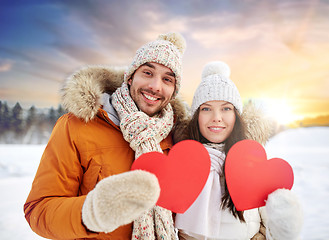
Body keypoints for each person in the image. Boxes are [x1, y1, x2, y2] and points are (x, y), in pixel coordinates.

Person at [24, 32, 189, 240]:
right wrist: (91, 212)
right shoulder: (77, 126)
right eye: (148, 72)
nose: (156, 86)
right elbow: (39, 210)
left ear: (174, 91)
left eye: (167, 79)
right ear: (130, 77)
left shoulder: (178, 136)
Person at [174, 61, 303, 240]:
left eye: (226, 108)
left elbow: (271, 232)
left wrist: (283, 226)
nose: (217, 118)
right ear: (196, 117)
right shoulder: (180, 163)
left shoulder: (254, 166)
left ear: (237, 115)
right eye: (206, 109)